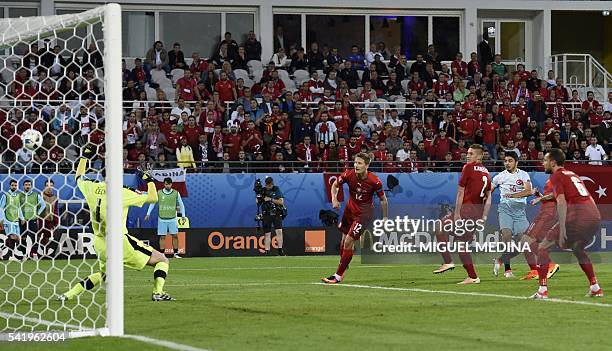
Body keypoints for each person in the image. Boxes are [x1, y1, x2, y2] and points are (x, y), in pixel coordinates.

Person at [58, 146, 174, 301]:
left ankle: (69, 294)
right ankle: (157, 293)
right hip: (120, 242)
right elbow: (153, 198)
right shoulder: (122, 193)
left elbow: (79, 176)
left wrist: (85, 157)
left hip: (99, 242)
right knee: (162, 260)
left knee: (105, 275)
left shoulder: (92, 187)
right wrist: (148, 180)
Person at [531, 149, 603, 299]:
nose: (543, 163)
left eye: (545, 160)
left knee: (543, 247)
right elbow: (565, 194)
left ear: (553, 162)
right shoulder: (571, 174)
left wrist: (563, 227)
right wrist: (543, 198)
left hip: (578, 215)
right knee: (578, 249)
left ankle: (542, 290)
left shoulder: (556, 176)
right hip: (594, 215)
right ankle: (595, 287)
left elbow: (562, 201)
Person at [321, 152, 388, 284]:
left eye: (359, 163)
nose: (356, 165)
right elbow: (335, 184)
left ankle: (338, 276)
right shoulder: (349, 174)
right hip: (349, 210)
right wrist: (334, 199)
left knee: (348, 241)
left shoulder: (375, 181)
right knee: (343, 241)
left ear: (367, 165)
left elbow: (383, 200)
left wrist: (385, 218)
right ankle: (344, 265)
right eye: (355, 162)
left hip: (363, 215)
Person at [437, 144, 492, 284]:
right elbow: (488, 197)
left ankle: (448, 261)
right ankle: (473, 277)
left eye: (471, 153)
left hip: (467, 211)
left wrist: (456, 214)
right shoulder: (486, 172)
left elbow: (460, 192)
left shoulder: (468, 167)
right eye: (467, 153)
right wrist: (484, 217)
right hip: (477, 213)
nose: (467, 155)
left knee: (440, 227)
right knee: (461, 244)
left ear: (479, 156)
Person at [490, 152, 532, 278]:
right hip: (505, 209)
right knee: (507, 234)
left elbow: (528, 191)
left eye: (510, 161)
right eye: (505, 161)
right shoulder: (499, 177)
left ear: (516, 162)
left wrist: (513, 196)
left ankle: (500, 260)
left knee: (525, 241)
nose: (507, 163)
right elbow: (489, 191)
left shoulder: (523, 174)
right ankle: (507, 270)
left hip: (519, 210)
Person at [519, 179, 560, 281]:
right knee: (524, 241)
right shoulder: (550, 179)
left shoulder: (558, 178)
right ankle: (535, 270)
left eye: (545, 161)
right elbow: (548, 198)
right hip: (544, 212)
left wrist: (540, 199)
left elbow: (556, 194)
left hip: (549, 213)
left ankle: (550, 264)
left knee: (528, 240)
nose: (543, 163)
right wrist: (538, 195)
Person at [145, 178, 186, 259]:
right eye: (166, 184)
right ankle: (162, 254)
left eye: (169, 184)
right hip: (162, 219)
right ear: (164, 184)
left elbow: (181, 204)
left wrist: (183, 216)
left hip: (172, 219)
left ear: (171, 184)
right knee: (162, 236)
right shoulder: (159, 193)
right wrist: (148, 213)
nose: (168, 185)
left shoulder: (176, 193)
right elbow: (153, 203)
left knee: (175, 236)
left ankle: (175, 254)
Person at [19, 179, 47, 260]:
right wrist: (22, 218)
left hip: (32, 220)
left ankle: (34, 254)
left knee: (34, 237)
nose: (27, 186)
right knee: (23, 238)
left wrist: (37, 214)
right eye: (26, 184)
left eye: (29, 185)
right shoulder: (20, 196)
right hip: (23, 220)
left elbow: (43, 205)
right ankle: (24, 255)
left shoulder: (36, 195)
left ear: (31, 186)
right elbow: (17, 207)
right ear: (23, 186)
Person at [261, 177, 287, 256]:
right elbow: (258, 201)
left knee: (279, 232)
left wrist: (270, 199)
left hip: (276, 213)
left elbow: (281, 202)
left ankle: (280, 250)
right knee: (267, 233)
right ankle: (267, 251)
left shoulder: (276, 189)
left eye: (270, 185)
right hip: (266, 214)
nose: (268, 186)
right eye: (267, 185)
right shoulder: (263, 190)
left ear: (272, 184)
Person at [0, 179, 24, 261]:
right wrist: (2, 219)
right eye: (12, 185)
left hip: (16, 220)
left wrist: (22, 218)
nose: (14, 187)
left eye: (15, 185)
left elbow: (19, 208)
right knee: (12, 237)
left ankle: (8, 254)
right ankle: (11, 256)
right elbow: (1, 208)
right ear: (10, 186)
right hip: (8, 220)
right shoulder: (5, 195)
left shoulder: (18, 196)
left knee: (17, 238)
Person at [39, 179, 59, 257]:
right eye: (47, 186)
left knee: (47, 238)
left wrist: (56, 221)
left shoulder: (55, 198)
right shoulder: (40, 196)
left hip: (50, 220)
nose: (49, 187)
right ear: (45, 187)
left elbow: (56, 210)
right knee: (37, 237)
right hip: (40, 220)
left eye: (51, 186)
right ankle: (33, 253)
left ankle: (45, 253)